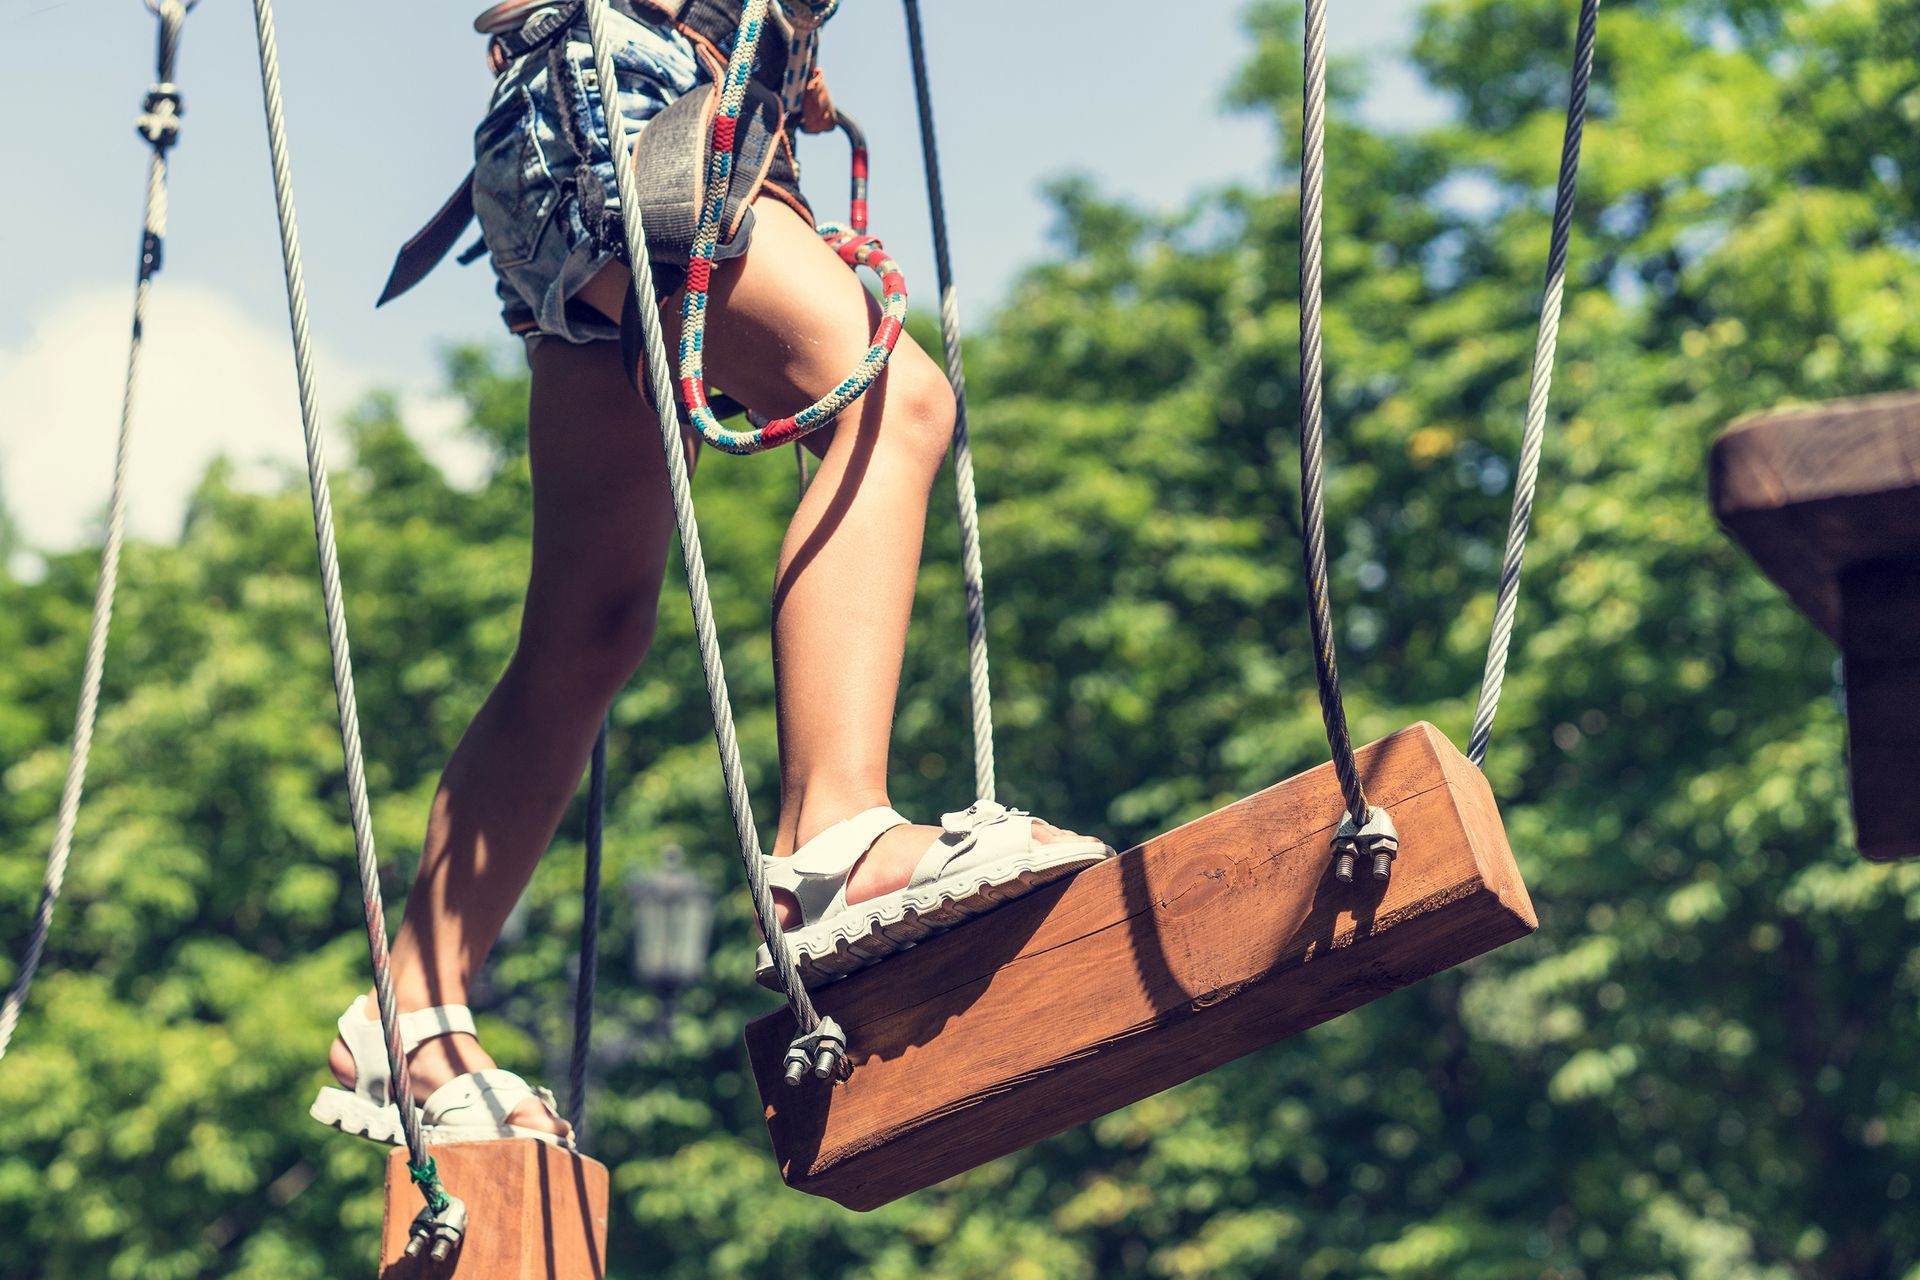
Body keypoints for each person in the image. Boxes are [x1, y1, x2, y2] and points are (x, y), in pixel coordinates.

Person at [311, 0, 1112, 1149]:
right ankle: (836, 838)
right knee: (890, 405)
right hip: (622, 107)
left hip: (600, 130)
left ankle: (412, 1009)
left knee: (589, 627)